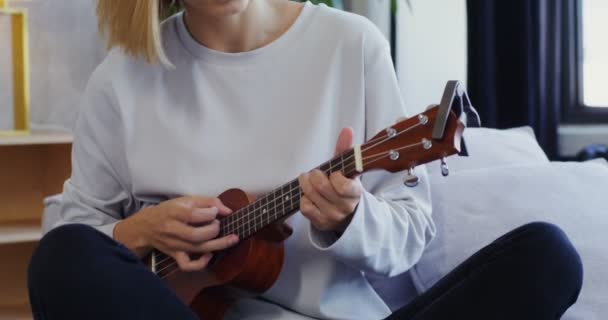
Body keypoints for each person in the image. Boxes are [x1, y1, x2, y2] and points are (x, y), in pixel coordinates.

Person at [27, 1, 583, 319]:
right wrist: (134, 229)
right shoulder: (123, 76)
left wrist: (351, 219)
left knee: (547, 257)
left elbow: (412, 230)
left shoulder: (351, 45)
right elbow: (68, 235)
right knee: (61, 258)